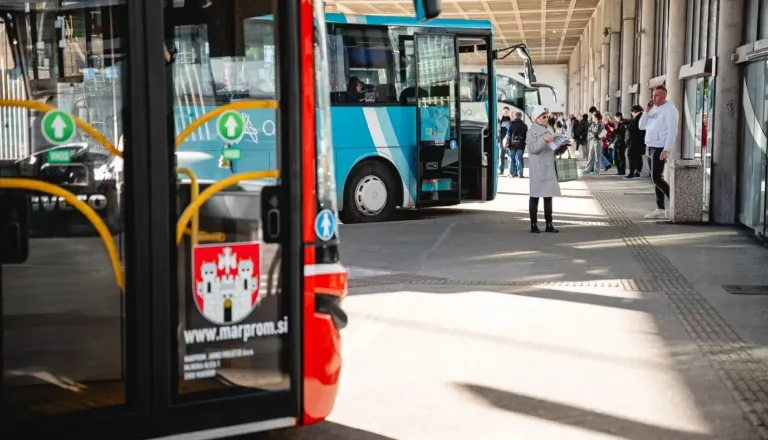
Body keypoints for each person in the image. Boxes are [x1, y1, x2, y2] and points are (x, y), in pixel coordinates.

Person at [639, 85, 679, 219]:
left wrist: (666, 149)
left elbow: (672, 130)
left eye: (656, 96)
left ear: (664, 97)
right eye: (653, 95)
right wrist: (646, 110)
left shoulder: (670, 110)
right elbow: (641, 126)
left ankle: (676, 201)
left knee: (656, 178)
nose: (653, 98)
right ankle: (660, 208)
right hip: (650, 145)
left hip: (660, 147)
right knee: (656, 178)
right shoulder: (652, 108)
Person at [526, 105, 561, 233]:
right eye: (543, 117)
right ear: (536, 118)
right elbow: (532, 149)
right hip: (537, 168)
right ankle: (533, 224)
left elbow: (553, 147)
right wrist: (544, 140)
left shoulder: (549, 129)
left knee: (548, 196)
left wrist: (561, 145)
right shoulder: (531, 131)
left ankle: (549, 224)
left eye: (547, 116)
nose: (546, 119)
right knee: (535, 196)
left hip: (549, 166)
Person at [626, 105, 647, 178]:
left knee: (631, 156)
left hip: (635, 140)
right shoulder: (639, 117)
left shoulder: (639, 118)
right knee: (638, 157)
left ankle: (631, 172)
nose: (631, 114)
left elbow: (635, 128)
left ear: (635, 111)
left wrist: (628, 126)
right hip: (637, 140)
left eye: (632, 112)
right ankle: (637, 172)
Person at [508, 111, 527, 178]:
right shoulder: (524, 125)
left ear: (515, 116)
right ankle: (520, 174)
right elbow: (526, 136)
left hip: (512, 144)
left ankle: (512, 173)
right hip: (521, 144)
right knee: (520, 158)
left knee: (512, 158)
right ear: (521, 116)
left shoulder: (511, 124)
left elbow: (508, 135)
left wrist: (508, 143)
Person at [498, 107, 513, 175]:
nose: (506, 112)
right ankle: (501, 170)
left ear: (509, 112)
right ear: (502, 112)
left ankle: (511, 171)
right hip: (502, 140)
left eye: (507, 111)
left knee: (510, 156)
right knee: (501, 156)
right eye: (504, 111)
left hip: (509, 141)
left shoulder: (511, 119)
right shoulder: (500, 120)